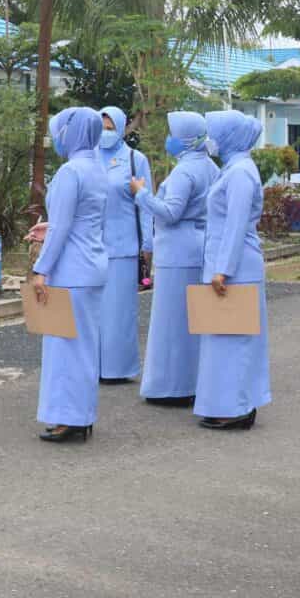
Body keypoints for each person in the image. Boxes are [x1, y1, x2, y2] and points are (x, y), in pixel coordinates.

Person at [30, 106, 109, 443]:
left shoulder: (69, 172)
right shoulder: (97, 168)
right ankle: (81, 415)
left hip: (70, 270)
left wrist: (40, 270)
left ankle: (68, 419)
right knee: (84, 347)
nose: (57, 137)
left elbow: (62, 226)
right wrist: (53, 227)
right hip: (91, 266)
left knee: (64, 348)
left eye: (60, 130)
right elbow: (81, 220)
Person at [131, 112, 219, 407]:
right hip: (198, 247)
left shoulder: (184, 172)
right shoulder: (209, 166)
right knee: (192, 321)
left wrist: (141, 193)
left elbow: (170, 212)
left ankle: (170, 386)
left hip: (177, 251)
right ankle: (192, 381)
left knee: (171, 322)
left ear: (182, 138)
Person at [194, 110, 269, 431]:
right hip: (229, 264)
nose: (210, 139)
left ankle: (237, 408)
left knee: (235, 341)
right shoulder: (235, 168)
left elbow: (237, 224)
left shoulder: (240, 173)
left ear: (230, 136)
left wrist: (223, 269)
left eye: (214, 132)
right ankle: (231, 404)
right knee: (224, 339)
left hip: (235, 267)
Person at [96, 106, 154, 384]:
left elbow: (146, 205)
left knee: (119, 313)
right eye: (101, 128)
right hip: (91, 247)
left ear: (120, 129)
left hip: (123, 247)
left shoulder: (135, 159)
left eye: (110, 128)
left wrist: (147, 245)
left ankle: (117, 369)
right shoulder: (88, 157)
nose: (104, 134)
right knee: (92, 312)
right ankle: (92, 365)